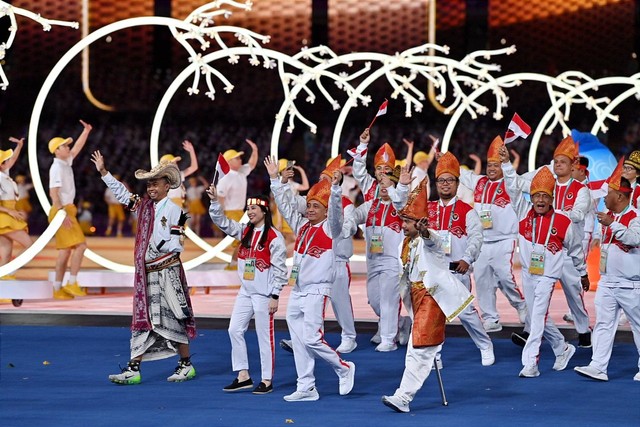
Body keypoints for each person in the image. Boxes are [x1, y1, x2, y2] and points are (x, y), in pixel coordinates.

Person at [91, 151, 196, 385]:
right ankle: (133, 368)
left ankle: (186, 365)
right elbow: (122, 194)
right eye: (148, 184)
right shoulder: (144, 207)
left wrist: (156, 250)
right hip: (146, 274)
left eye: (155, 183)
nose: (150, 188)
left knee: (174, 319)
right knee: (143, 320)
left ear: (167, 185)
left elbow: (176, 245)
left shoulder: (175, 211)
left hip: (167, 272)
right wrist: (104, 173)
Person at [266, 156, 355, 402]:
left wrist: (335, 190)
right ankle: (306, 387)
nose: (311, 209)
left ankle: (343, 367)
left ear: (326, 210)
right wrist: (276, 180)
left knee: (313, 339)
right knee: (299, 340)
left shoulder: (331, 228)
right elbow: (285, 207)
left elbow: (337, 214)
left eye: (316, 206)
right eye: (310, 206)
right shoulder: (303, 226)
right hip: (298, 290)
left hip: (317, 291)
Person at [499, 145, 588, 377]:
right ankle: (562, 347)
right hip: (528, 273)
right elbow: (511, 187)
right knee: (535, 316)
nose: (539, 199)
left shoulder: (562, 222)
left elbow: (576, 250)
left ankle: (530, 364)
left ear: (551, 199)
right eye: (536, 195)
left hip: (548, 276)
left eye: (545, 196)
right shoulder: (523, 212)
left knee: (537, 318)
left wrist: (583, 272)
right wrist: (507, 164)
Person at [208, 189, 287, 394]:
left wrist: (275, 295)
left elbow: (280, 269)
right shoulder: (244, 231)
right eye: (248, 208)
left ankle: (267, 380)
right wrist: (215, 201)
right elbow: (221, 221)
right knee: (234, 329)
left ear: (264, 210)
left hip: (264, 295)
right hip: (245, 291)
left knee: (264, 337)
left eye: (254, 208)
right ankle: (243, 375)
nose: (250, 211)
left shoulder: (274, 237)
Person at [279, 155, 358, 354]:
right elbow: (292, 203)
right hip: (315, 258)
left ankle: (349, 336)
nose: (323, 181)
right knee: (308, 301)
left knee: (340, 302)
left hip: (337, 259)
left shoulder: (346, 203)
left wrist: (335, 227)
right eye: (322, 177)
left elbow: (349, 226)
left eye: (328, 178)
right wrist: (283, 183)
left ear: (336, 180)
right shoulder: (313, 202)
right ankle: (305, 337)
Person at [381, 178, 448, 413]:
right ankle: (404, 394)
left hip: (432, 298)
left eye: (408, 221)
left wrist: (425, 231)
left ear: (421, 222)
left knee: (418, 349)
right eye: (403, 220)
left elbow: (434, 242)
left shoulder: (432, 238)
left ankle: (404, 397)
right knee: (415, 348)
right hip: (416, 298)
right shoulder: (406, 243)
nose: (403, 225)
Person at [574, 159, 640, 382]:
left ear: (620, 196)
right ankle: (598, 366)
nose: (604, 197)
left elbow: (633, 239)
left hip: (632, 284)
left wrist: (612, 224)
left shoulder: (636, 217)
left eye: (608, 193)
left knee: (639, 327)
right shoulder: (609, 218)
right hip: (607, 282)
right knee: (603, 324)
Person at [427, 151, 494, 365]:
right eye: (441, 180)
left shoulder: (468, 211)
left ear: (457, 183)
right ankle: (435, 354)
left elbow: (476, 238)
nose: (445, 184)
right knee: (434, 316)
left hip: (457, 270)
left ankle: (485, 345)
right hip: (434, 272)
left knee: (467, 314)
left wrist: (467, 259)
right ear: (436, 183)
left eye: (450, 180)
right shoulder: (427, 210)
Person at [351, 129, 412, 351]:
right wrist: (362, 145)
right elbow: (358, 171)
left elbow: (400, 203)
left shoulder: (400, 193)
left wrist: (397, 186)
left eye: (387, 169)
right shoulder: (370, 191)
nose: (383, 173)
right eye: (379, 169)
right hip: (372, 256)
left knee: (388, 298)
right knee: (374, 300)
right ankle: (400, 323)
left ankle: (389, 339)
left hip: (392, 258)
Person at [458, 136, 527, 333]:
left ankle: (520, 304)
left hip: (505, 239)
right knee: (481, 279)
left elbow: (517, 177)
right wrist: (444, 159)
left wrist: (507, 165)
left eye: (496, 165)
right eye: (489, 165)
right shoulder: (479, 182)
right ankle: (490, 318)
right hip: (482, 241)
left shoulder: (511, 184)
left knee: (505, 276)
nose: (491, 168)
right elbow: (461, 174)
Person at [48, 120, 92, 300]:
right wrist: (61, 213)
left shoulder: (65, 163)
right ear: (57, 151)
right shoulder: (56, 167)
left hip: (66, 209)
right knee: (81, 246)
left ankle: (58, 288)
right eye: (64, 146)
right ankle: (72, 282)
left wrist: (86, 131)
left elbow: (77, 149)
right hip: (62, 210)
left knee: (65, 252)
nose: (68, 148)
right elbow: (53, 192)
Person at [216, 139, 259, 268]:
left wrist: (255, 150)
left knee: (246, 240)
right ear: (229, 162)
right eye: (236, 158)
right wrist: (221, 217)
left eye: (240, 158)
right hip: (231, 212)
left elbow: (251, 164)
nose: (240, 160)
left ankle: (235, 265)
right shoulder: (226, 177)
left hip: (241, 212)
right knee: (243, 239)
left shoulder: (240, 173)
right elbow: (220, 198)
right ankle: (234, 265)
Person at [0, 138, 33, 279]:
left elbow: (13, 159)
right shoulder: (0, 178)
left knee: (6, 252)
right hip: (4, 215)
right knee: (30, 246)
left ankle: (3, 282)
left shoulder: (4, 174)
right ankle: (10, 272)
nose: (10, 161)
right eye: (6, 160)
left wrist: (19, 146)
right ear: (2, 164)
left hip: (7, 214)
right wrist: (9, 211)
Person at [160, 140, 199, 208]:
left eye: (175, 163)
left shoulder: (177, 175)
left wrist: (192, 151)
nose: (176, 164)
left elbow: (194, 167)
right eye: (173, 163)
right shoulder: (165, 179)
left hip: (177, 206)